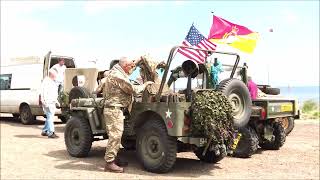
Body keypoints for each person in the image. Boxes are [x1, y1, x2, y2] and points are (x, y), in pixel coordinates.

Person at [97, 57, 153, 173]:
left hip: (116, 109)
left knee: (117, 135)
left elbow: (129, 69)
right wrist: (145, 84)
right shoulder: (118, 76)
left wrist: (137, 61)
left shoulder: (117, 71)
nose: (131, 70)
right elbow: (133, 89)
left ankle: (114, 158)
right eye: (130, 67)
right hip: (114, 110)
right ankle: (109, 163)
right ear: (125, 66)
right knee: (115, 136)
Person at [40, 68, 60, 138]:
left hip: (51, 102)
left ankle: (45, 130)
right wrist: (44, 101)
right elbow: (43, 92)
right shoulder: (46, 82)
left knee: (49, 117)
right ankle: (51, 132)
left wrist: (56, 101)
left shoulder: (52, 81)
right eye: (55, 75)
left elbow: (54, 93)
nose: (56, 76)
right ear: (52, 74)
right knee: (50, 117)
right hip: (48, 102)